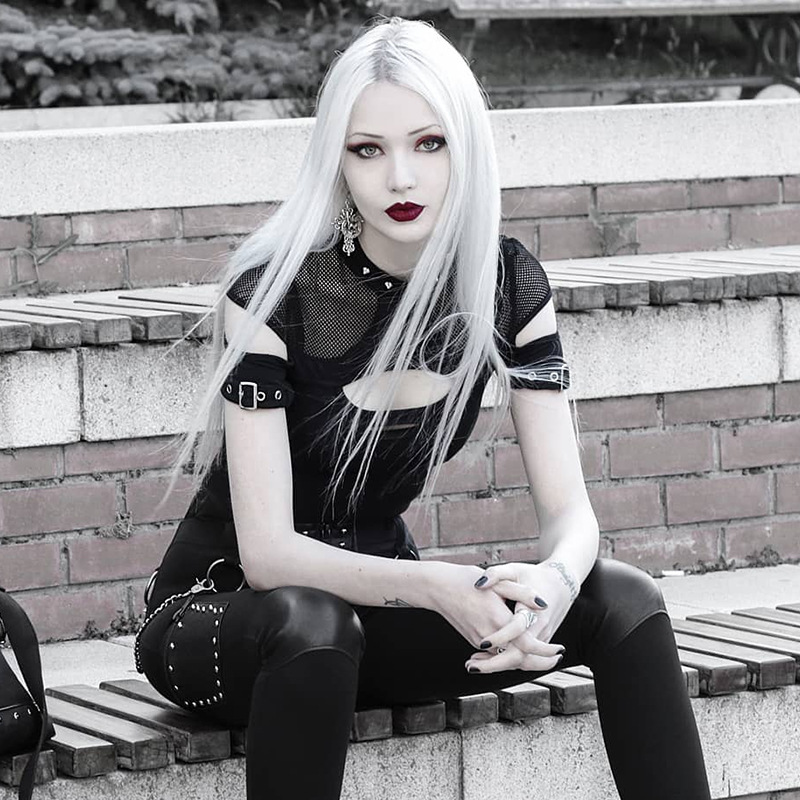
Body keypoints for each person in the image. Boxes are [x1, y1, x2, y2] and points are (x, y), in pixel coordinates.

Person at [136, 17, 712, 800]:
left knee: (621, 598)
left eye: (429, 143)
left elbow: (571, 517)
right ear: (338, 161)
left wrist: (551, 585)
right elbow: (267, 556)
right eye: (367, 149)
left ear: (464, 146)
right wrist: (438, 586)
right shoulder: (276, 294)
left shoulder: (505, 284)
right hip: (229, 615)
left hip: (374, 617)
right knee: (313, 623)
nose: (400, 177)